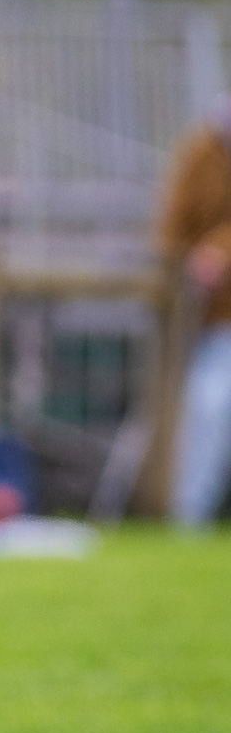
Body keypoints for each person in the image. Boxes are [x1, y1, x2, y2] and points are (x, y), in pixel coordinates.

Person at [158, 100, 231, 529]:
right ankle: (190, 517)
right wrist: (186, 261)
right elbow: (173, 225)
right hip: (216, 318)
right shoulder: (203, 151)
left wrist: (220, 250)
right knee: (208, 404)